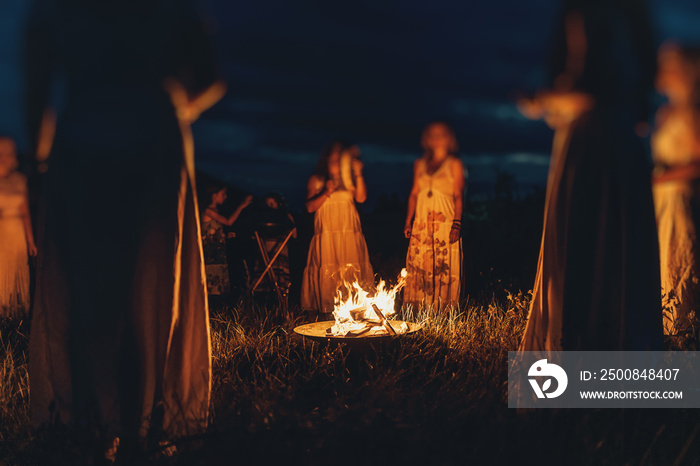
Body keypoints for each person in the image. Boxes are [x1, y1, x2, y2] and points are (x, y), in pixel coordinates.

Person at [25, 0, 225, 459]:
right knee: (151, 286)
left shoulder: (58, 12)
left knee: (89, 288)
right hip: (151, 135)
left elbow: (37, 92)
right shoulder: (172, 12)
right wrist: (174, 104)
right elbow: (210, 78)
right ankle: (141, 421)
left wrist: (39, 165)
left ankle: (93, 421)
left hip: (84, 142)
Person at [518, 0, 662, 351]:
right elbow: (628, 97)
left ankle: (579, 354)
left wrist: (540, 100)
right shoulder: (635, 17)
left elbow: (592, 92)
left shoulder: (591, 12)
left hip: (591, 145)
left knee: (584, 242)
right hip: (622, 145)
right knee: (617, 249)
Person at [652, 44, 700, 335]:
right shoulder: (664, 112)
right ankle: (667, 330)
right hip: (662, 198)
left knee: (681, 260)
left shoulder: (693, 112)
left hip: (681, 199)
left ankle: (683, 333)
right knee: (663, 261)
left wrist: (661, 177)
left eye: (668, 67)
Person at [301, 142, 373, 316]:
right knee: (328, 269)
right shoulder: (317, 180)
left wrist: (358, 173)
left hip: (348, 232)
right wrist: (326, 191)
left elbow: (361, 198)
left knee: (351, 270)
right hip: (327, 234)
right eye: (333, 156)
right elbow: (310, 207)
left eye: (340, 157)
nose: (336, 160)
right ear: (326, 158)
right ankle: (327, 312)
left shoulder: (350, 181)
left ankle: (354, 312)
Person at [403, 122, 465, 311]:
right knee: (421, 265)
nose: (437, 138)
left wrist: (457, 224)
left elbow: (458, 195)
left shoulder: (454, 164)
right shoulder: (419, 164)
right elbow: (414, 193)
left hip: (444, 222)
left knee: (442, 266)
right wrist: (408, 220)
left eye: (441, 134)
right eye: (433, 134)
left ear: (449, 139)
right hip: (422, 224)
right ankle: (420, 309)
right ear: (427, 139)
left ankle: (443, 310)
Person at [0, 137, 37, 318]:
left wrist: (30, 241)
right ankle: (3, 312)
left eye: (9, 153)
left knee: (17, 270)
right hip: (2, 232)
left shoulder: (20, 180)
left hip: (17, 233)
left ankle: (17, 316)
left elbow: (25, 212)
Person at [201, 187, 252, 298]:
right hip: (210, 256)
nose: (225, 197)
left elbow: (213, 231)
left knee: (219, 286)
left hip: (218, 255)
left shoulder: (216, 212)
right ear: (214, 195)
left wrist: (224, 236)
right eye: (223, 194)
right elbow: (228, 222)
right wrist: (242, 205)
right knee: (211, 285)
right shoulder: (208, 211)